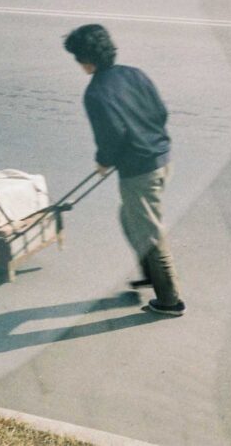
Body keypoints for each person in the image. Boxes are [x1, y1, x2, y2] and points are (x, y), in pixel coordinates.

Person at [62, 24, 185, 316]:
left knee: (149, 233)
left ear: (85, 61)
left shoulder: (96, 93)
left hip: (139, 171)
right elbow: (160, 112)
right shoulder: (134, 73)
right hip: (163, 158)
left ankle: (170, 301)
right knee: (129, 218)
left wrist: (104, 161)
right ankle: (149, 272)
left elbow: (111, 138)